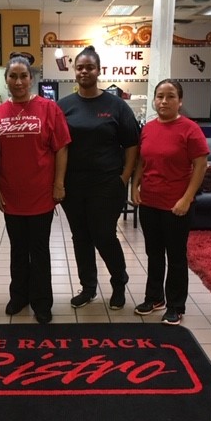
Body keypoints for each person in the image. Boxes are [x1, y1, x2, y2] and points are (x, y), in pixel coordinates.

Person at [57, 46, 140, 310]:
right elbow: (58, 145)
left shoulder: (116, 106)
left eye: (89, 67)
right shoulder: (64, 106)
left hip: (107, 184)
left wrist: (125, 177)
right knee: (80, 237)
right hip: (73, 185)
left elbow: (132, 144)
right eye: (80, 67)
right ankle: (89, 287)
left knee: (104, 235)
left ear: (98, 70)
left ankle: (118, 281)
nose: (84, 71)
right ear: (75, 71)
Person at [0, 54, 71, 324]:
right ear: (6, 80)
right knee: (17, 249)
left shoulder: (49, 109)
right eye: (13, 76)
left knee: (38, 250)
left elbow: (61, 148)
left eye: (23, 76)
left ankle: (42, 302)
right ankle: (19, 296)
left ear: (32, 79)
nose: (18, 81)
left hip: (41, 194)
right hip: (11, 195)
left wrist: (59, 183)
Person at [130, 79, 209, 325]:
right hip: (150, 201)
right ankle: (154, 298)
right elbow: (141, 161)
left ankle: (176, 304)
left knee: (175, 256)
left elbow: (200, 165)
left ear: (180, 101)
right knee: (153, 253)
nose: (164, 101)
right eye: (160, 96)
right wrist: (134, 187)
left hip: (177, 205)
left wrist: (187, 198)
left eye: (170, 96)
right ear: (154, 100)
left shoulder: (190, 129)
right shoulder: (148, 128)